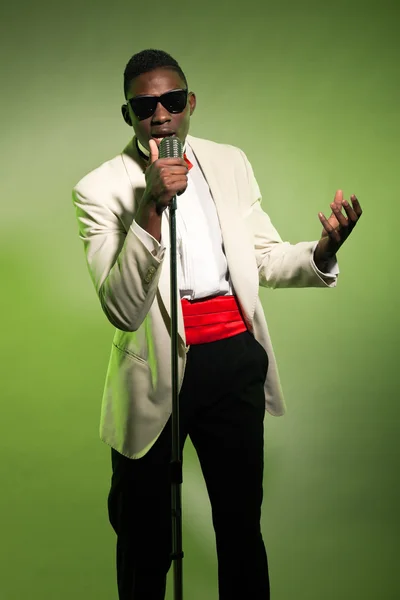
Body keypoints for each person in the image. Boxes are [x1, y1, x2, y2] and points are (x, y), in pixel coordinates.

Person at [72, 49, 362, 600]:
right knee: (144, 534)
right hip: (155, 370)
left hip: (233, 360)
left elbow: (262, 258)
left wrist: (321, 251)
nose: (161, 114)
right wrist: (152, 205)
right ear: (129, 114)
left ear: (190, 104)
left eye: (172, 101)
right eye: (145, 105)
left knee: (239, 527)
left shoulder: (229, 162)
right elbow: (123, 307)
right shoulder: (99, 189)